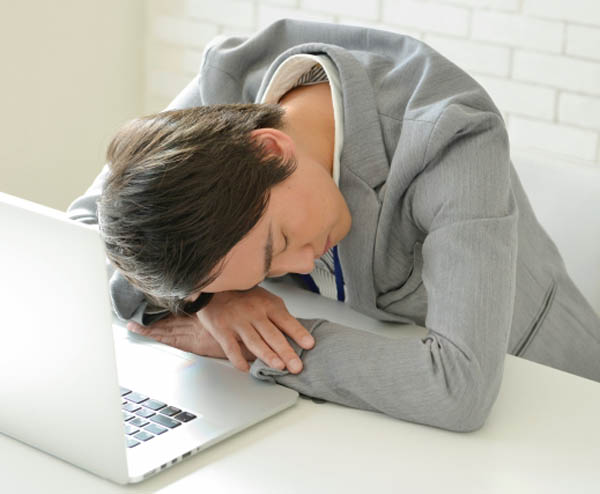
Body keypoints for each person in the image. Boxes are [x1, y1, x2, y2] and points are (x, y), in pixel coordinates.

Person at [68, 18, 600, 432]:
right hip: (367, 394)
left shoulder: (452, 137)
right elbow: (87, 231)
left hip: (546, 391)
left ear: (271, 149)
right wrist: (213, 298)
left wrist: (266, 348)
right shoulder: (216, 112)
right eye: (265, 269)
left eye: (278, 242)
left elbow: (459, 388)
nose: (302, 263)